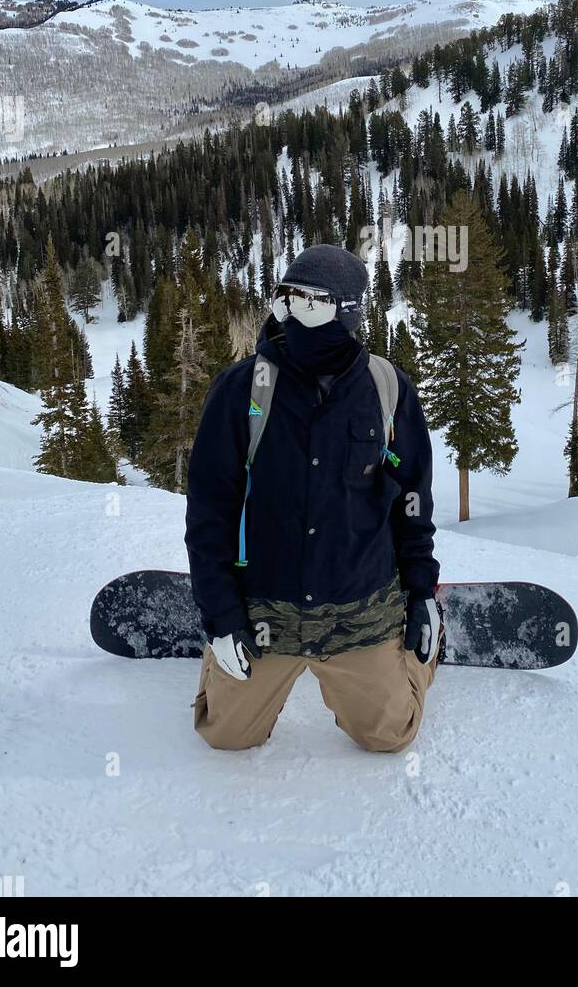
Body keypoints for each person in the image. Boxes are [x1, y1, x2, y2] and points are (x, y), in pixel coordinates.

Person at [185, 243, 441, 753]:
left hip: (359, 606)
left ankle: (413, 652)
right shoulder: (243, 391)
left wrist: (422, 593)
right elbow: (209, 513)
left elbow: (412, 503)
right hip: (267, 605)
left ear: (346, 313)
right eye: (286, 301)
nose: (294, 317)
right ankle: (219, 657)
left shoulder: (387, 390)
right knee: (225, 735)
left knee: (389, 736)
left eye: (311, 304)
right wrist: (223, 616)